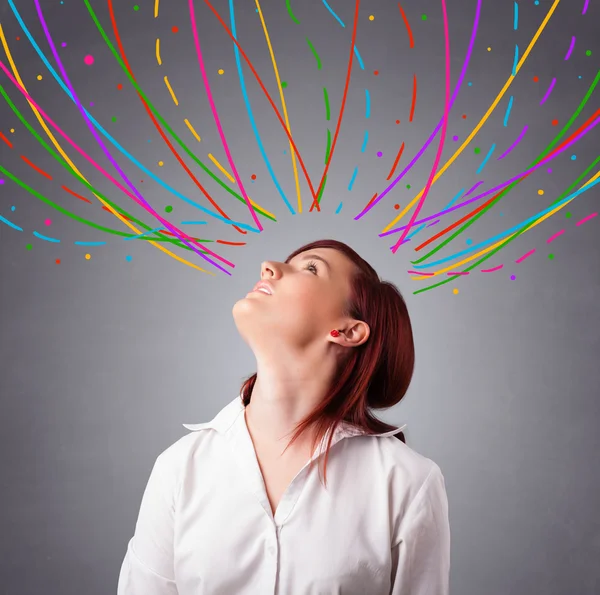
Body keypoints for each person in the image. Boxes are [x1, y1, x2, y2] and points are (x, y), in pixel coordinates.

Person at [117, 239, 450, 595]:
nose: (269, 267)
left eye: (310, 268)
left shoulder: (407, 483)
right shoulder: (180, 468)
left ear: (349, 330)